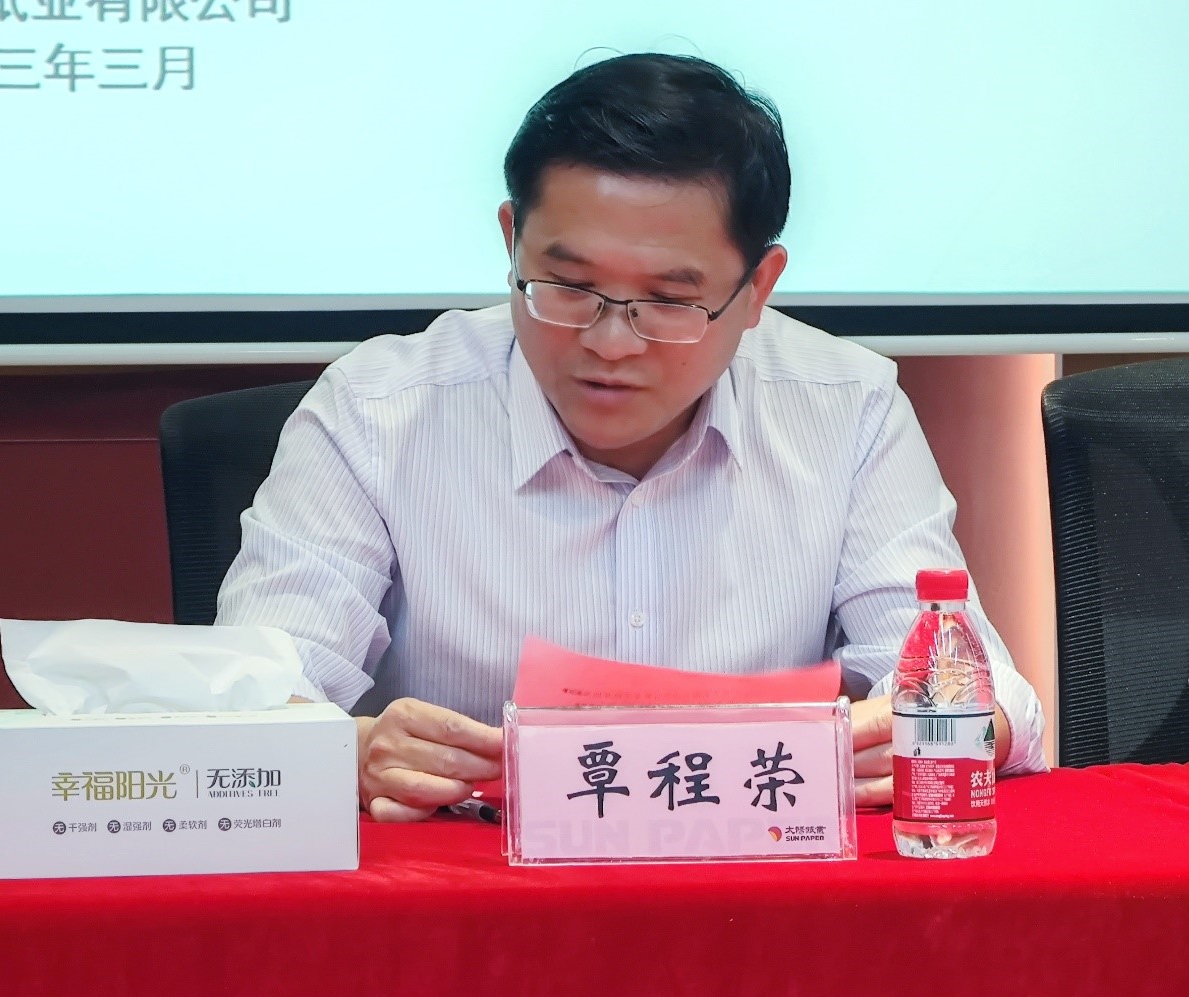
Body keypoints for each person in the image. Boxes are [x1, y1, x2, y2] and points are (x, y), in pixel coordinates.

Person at [217, 53, 1047, 822]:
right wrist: (352, 752)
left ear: (758, 288)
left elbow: (987, 695)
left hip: (757, 886)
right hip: (466, 890)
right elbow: (241, 708)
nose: (610, 343)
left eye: (669, 301)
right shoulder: (376, 412)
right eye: (568, 285)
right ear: (510, 240)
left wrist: (930, 727)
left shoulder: (846, 408)